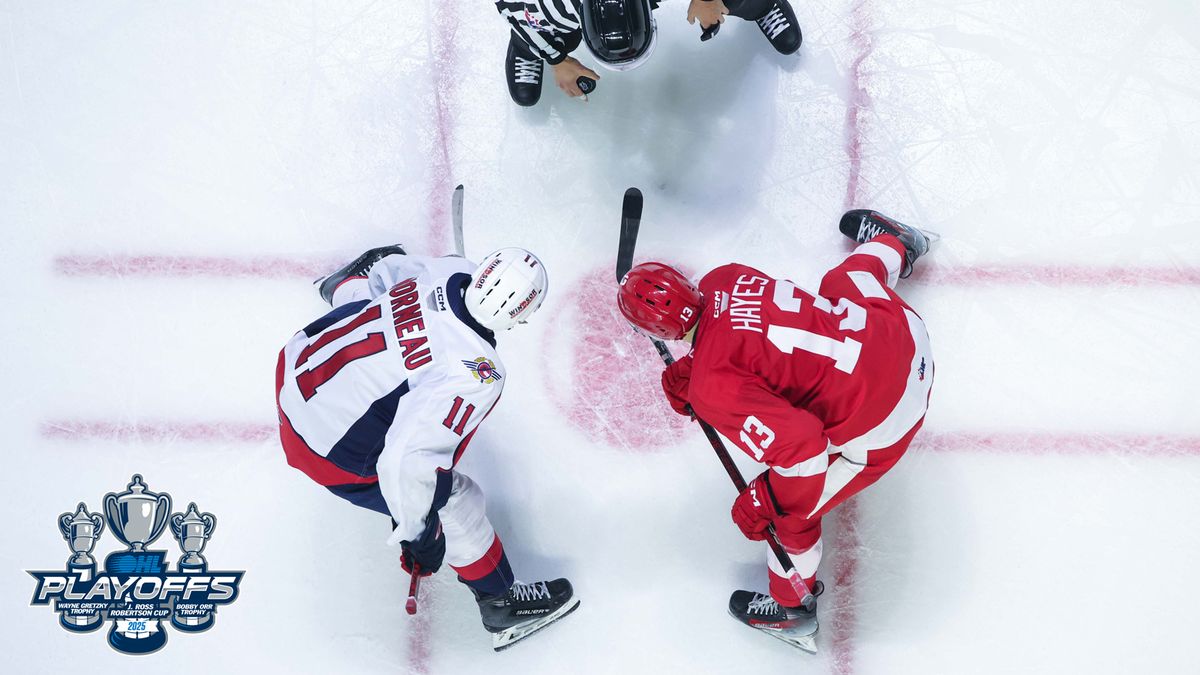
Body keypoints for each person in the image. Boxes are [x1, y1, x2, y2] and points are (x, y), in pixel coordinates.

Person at [615, 211, 934, 651]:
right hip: (903, 333)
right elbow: (758, 336)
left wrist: (768, 496)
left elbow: (803, 447)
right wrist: (703, 369)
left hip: (890, 417)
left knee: (790, 518)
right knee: (844, 281)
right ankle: (897, 244)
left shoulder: (713, 388)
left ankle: (792, 611)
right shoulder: (725, 277)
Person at [276, 245, 579, 651]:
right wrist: (417, 533)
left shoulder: (449, 272)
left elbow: (386, 273)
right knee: (456, 499)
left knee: (376, 302)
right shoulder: (477, 372)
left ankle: (343, 287)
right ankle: (500, 602)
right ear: (523, 316)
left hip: (296, 371)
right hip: (322, 450)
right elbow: (407, 459)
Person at [496, 0, 802, 107]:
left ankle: (761, 4)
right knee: (538, 26)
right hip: (546, 10)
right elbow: (509, 8)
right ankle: (527, 49)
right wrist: (556, 58)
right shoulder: (548, 5)